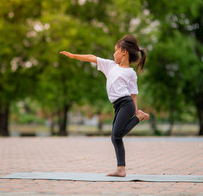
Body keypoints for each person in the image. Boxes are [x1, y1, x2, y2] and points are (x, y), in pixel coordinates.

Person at [60, 34, 149, 177]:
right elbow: (92, 57)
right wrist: (73, 56)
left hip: (127, 104)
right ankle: (121, 169)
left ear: (124, 52)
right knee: (115, 138)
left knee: (116, 135)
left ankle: (138, 117)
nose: (113, 54)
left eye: (115, 50)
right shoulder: (110, 65)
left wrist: (135, 110)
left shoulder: (131, 73)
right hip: (118, 105)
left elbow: (133, 94)